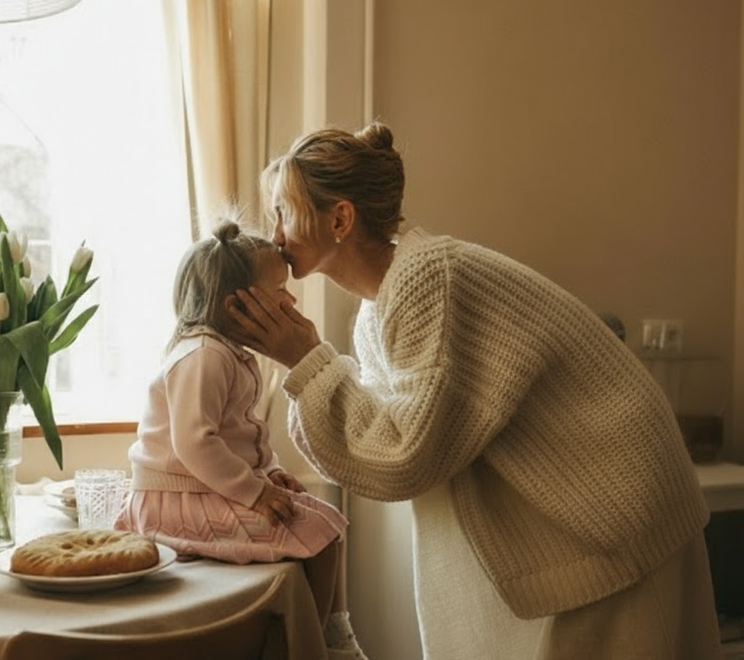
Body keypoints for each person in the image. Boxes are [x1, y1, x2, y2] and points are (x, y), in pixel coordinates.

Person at [226, 123, 723, 660]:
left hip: (618, 503)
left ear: (340, 219)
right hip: (581, 508)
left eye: (283, 211)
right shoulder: (378, 309)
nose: (273, 234)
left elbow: (406, 453)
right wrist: (306, 364)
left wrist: (307, 360)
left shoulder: (430, 278)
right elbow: (375, 447)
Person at [114, 218, 368, 660]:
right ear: (238, 306)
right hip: (176, 500)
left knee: (328, 522)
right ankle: (325, 645)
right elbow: (196, 443)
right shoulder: (203, 355)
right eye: (278, 291)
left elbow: (243, 433)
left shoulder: (228, 354)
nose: (289, 299)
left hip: (207, 488)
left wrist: (270, 472)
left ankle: (328, 632)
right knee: (323, 535)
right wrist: (254, 492)